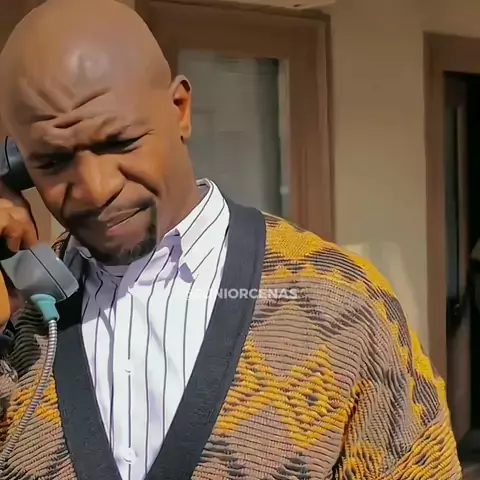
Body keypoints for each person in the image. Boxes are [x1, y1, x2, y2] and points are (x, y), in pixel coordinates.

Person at [0, 0, 462, 479]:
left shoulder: (343, 303)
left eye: (120, 141)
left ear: (179, 110)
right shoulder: (20, 315)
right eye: (52, 162)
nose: (96, 189)